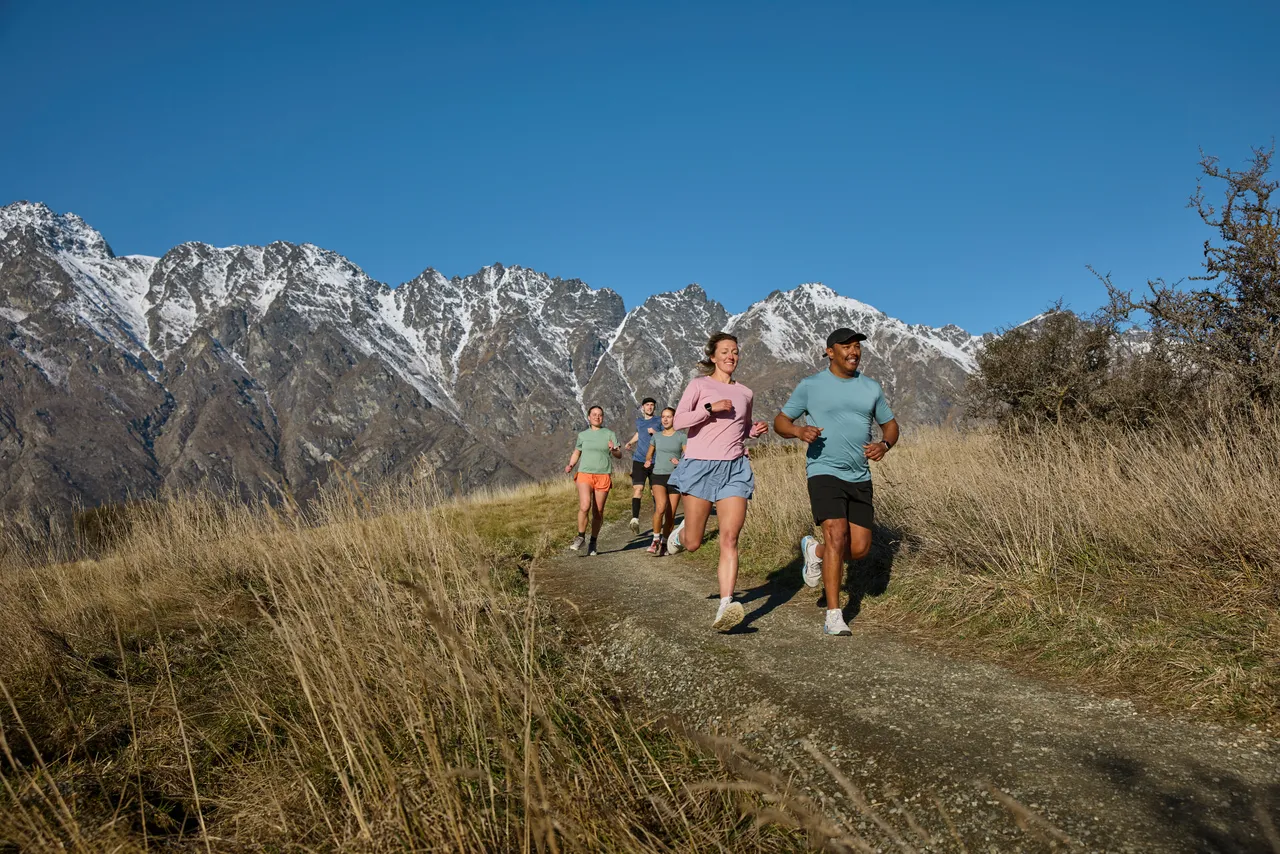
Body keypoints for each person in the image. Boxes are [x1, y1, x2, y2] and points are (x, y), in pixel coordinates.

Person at [773, 328, 899, 636]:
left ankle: (814, 552)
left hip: (859, 474)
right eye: (847, 347)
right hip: (823, 471)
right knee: (836, 533)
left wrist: (884, 445)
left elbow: (891, 425)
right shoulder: (811, 386)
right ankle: (833, 614)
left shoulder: (871, 388)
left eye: (858, 347)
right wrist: (799, 432)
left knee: (858, 549)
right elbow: (780, 422)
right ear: (830, 352)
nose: (854, 351)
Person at [666, 332, 770, 631]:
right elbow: (680, 421)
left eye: (735, 351)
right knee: (695, 543)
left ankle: (726, 605)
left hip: (735, 469)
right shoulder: (699, 385)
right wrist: (709, 409)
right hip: (699, 467)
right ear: (713, 356)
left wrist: (754, 430)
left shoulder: (746, 393)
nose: (731, 356)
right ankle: (679, 536)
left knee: (729, 537)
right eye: (725, 351)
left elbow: (742, 427)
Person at [564, 405, 623, 556]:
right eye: (594, 414)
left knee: (598, 512)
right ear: (589, 417)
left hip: (603, 475)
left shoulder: (609, 434)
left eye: (600, 415)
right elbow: (577, 452)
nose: (597, 417)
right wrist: (571, 464)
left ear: (603, 417)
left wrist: (613, 449)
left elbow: (619, 455)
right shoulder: (583, 435)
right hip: (584, 474)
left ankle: (593, 542)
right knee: (585, 505)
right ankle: (580, 537)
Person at [643, 407, 686, 556]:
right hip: (658, 475)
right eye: (663, 417)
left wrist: (679, 461)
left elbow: (688, 456)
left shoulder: (681, 436)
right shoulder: (657, 436)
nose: (665, 419)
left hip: (675, 477)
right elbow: (649, 454)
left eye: (669, 416)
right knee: (660, 507)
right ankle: (655, 540)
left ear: (675, 418)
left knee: (671, 514)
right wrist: (648, 461)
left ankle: (665, 542)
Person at [624, 397, 663, 535]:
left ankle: (657, 519)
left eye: (652, 405)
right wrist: (630, 442)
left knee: (655, 491)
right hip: (639, 460)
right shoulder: (639, 421)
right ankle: (635, 519)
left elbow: (666, 435)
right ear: (643, 408)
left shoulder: (659, 421)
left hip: (656, 460)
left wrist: (656, 433)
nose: (650, 407)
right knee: (638, 489)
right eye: (647, 405)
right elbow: (639, 434)